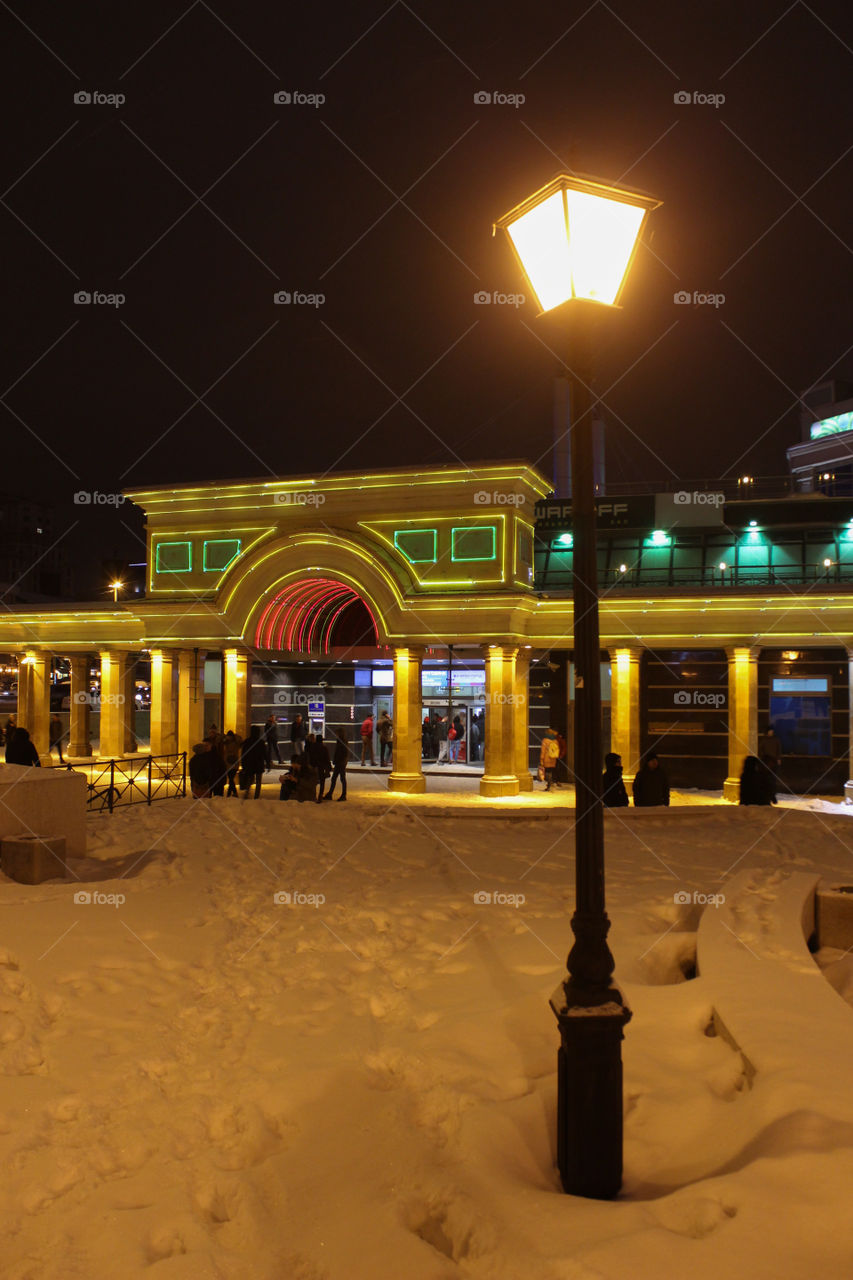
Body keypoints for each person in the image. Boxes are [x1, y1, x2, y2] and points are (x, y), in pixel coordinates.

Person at [238, 725, 266, 800]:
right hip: (259, 764)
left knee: (249, 779)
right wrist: (268, 762)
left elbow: (243, 754)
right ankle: (256, 796)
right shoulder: (261, 742)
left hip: (249, 764)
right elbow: (265, 753)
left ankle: (247, 793)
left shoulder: (247, 741)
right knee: (258, 782)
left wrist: (243, 764)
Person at [325, 728, 349, 801]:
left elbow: (342, 753)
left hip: (340, 762)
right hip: (340, 762)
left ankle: (343, 795)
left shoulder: (342, 741)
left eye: (337, 733)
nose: (336, 735)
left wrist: (337, 760)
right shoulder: (341, 741)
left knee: (341, 778)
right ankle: (331, 794)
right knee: (335, 778)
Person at [312, 732, 331, 801]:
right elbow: (327, 758)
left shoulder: (312, 747)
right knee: (322, 782)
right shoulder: (324, 748)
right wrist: (329, 767)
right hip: (321, 767)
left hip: (314, 766)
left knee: (314, 782)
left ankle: (313, 795)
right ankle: (320, 795)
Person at [223, 730, 242, 797]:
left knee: (231, 778)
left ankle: (232, 792)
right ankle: (232, 792)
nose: (228, 738)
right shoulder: (225, 743)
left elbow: (240, 740)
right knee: (230, 778)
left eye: (229, 736)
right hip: (228, 763)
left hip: (234, 762)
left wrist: (235, 736)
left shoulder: (236, 742)